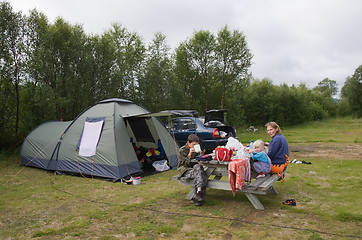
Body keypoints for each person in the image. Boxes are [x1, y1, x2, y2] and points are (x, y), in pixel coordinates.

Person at [177, 134, 208, 206]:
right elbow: (185, 164)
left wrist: (201, 155)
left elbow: (198, 161)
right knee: (201, 174)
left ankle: (198, 194)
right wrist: (190, 154)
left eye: (196, 144)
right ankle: (199, 195)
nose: (195, 146)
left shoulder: (197, 149)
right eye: (193, 144)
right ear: (188, 143)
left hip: (195, 168)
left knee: (200, 171)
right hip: (185, 170)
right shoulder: (183, 150)